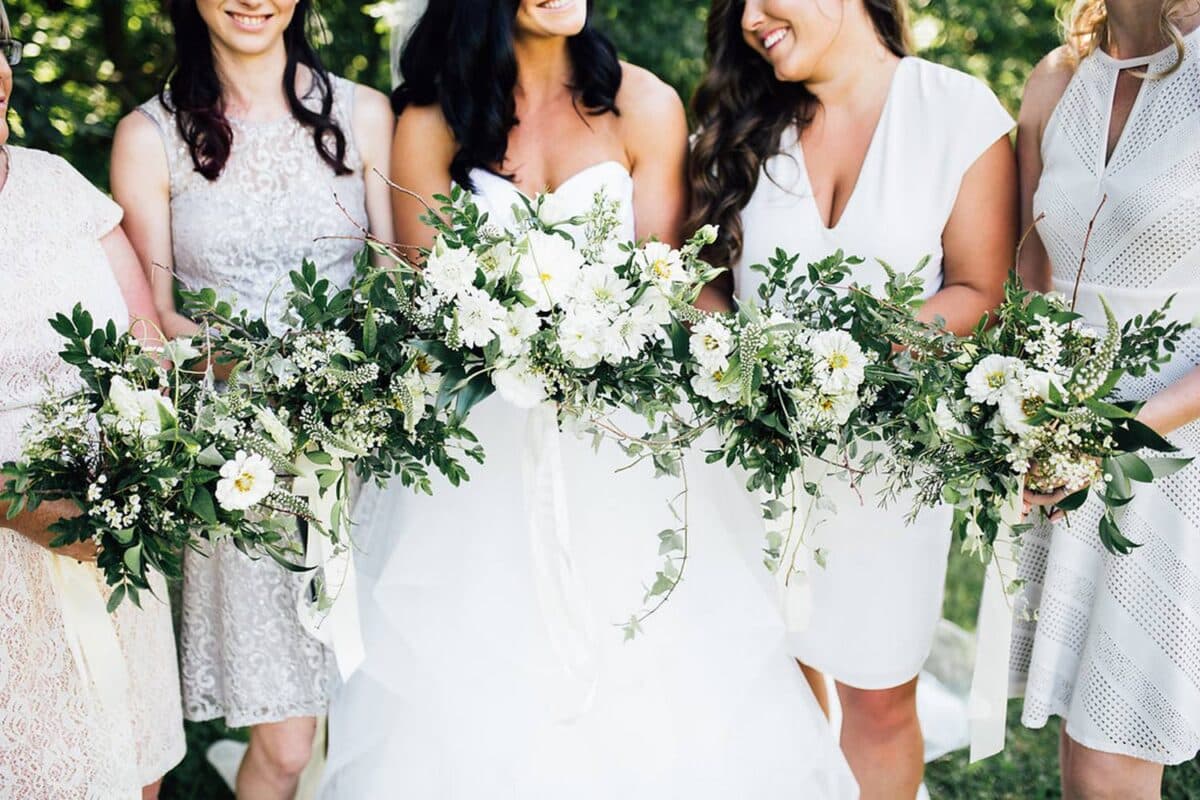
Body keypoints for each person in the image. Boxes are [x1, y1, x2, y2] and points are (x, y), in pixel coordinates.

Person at [321, 1, 855, 797]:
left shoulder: (642, 104)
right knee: (474, 683)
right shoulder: (430, 122)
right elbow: (426, 302)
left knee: (657, 679)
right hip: (479, 454)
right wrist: (508, 332)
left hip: (623, 446)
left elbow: (667, 290)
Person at [688, 1, 1017, 796]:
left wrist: (844, 361)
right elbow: (700, 280)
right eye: (738, 9)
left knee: (877, 693)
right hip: (753, 450)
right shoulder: (744, 125)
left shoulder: (955, 111)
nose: (751, 22)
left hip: (890, 462)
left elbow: (979, 287)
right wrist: (751, 366)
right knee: (771, 675)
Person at [110, 1, 394, 796]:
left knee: (384, 717)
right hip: (244, 471)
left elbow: (400, 284)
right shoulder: (149, 136)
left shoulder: (364, 114)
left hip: (367, 451)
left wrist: (349, 379)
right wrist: (267, 369)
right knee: (289, 744)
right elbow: (156, 320)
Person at [1015, 1, 1200, 796]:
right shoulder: (1057, 81)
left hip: (1169, 451)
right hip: (1060, 433)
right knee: (1081, 742)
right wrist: (1025, 403)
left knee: (1113, 749)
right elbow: (1031, 266)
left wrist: (1114, 439)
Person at [0, 2, 185, 796]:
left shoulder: (56, 184)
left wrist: (143, 472)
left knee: (133, 773)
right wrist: (34, 507)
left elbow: (148, 346)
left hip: (111, 548)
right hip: (14, 562)